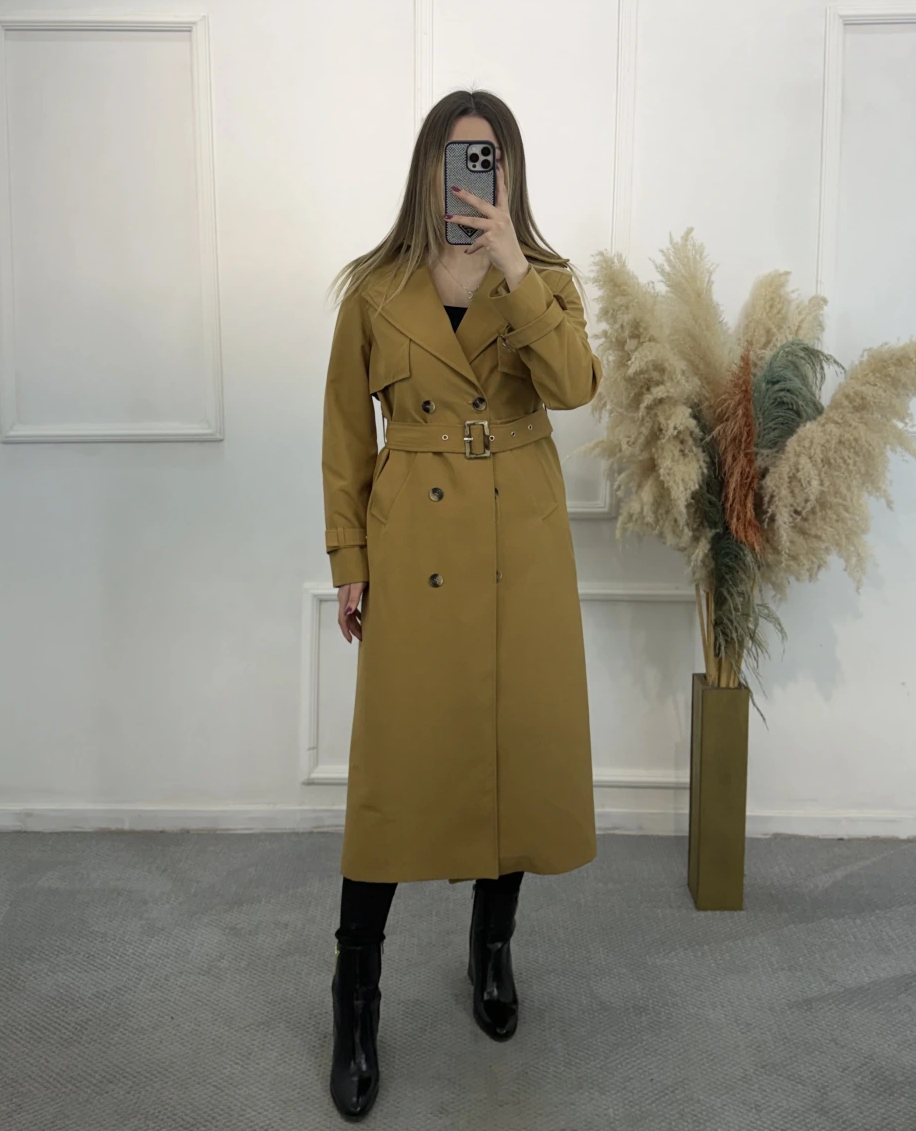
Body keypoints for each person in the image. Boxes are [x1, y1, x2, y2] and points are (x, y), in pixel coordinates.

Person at [320, 88, 602, 1118]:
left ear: (510, 171)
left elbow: (574, 386)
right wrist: (349, 556)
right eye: (455, 155)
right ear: (427, 168)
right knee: (394, 770)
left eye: (489, 157)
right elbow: (344, 434)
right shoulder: (374, 288)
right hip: (414, 543)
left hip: (518, 542)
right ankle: (355, 993)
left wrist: (513, 263)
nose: (470, 173)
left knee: (508, 752)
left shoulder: (548, 280)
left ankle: (492, 949)